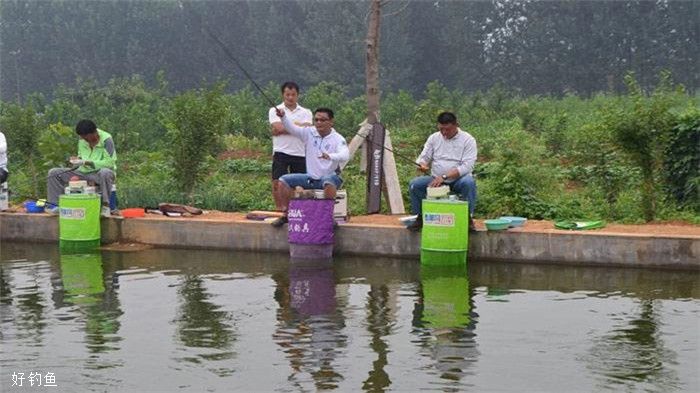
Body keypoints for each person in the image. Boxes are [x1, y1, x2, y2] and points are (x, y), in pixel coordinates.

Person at [270, 107, 349, 227]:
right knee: (283, 180)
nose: (318, 123)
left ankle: (327, 216)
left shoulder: (338, 138)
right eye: (316, 120)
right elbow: (292, 129)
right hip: (311, 177)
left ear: (331, 122)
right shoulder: (309, 133)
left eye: (323, 120)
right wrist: (283, 117)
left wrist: (331, 156)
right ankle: (287, 214)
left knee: (328, 180)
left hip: (330, 178)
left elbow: (345, 155)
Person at [407, 112, 477, 232]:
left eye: (447, 129)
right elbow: (424, 157)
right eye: (441, 129)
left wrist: (444, 177)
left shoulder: (468, 140)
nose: (444, 133)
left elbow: (467, 166)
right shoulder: (434, 138)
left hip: (458, 180)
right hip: (435, 178)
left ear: (456, 125)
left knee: (469, 183)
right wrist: (422, 164)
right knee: (415, 185)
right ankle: (421, 217)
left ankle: (467, 219)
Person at [46, 119, 117, 217]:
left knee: (106, 172)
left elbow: (110, 162)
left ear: (93, 133)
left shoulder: (107, 140)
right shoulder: (82, 140)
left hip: (99, 174)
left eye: (86, 138)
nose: (84, 140)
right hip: (83, 172)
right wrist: (76, 160)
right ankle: (55, 206)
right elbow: (81, 157)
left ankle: (106, 206)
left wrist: (89, 163)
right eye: (82, 138)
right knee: (53, 173)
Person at [269, 81, 313, 211]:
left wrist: (285, 128)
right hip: (281, 151)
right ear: (283, 95)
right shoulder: (275, 110)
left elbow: (308, 130)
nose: (290, 97)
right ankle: (280, 209)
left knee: (299, 183)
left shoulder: (306, 112)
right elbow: (277, 127)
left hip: (299, 152)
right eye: (287, 94)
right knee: (277, 182)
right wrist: (298, 126)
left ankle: (295, 209)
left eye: (293, 94)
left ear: (297, 95)